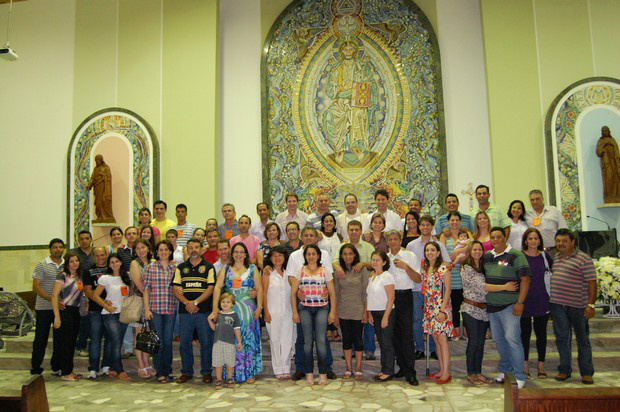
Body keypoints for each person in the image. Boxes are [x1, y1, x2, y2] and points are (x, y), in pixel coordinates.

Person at [285, 227, 336, 380]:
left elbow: (329, 279)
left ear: (316, 238)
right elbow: (290, 277)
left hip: (321, 304)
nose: (308, 238)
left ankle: (325, 368)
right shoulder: (295, 256)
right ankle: (302, 369)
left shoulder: (325, 255)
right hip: (304, 303)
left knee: (322, 339)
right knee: (303, 338)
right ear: (301, 237)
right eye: (305, 235)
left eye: (311, 235)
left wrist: (327, 291)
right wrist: (298, 289)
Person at [483, 227, 530, 389]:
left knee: (513, 340)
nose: (496, 240)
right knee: (499, 340)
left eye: (499, 237)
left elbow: (525, 280)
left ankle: (519, 375)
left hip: (510, 306)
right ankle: (505, 370)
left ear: (505, 238)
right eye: (493, 238)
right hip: (492, 307)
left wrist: (520, 302)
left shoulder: (516, 255)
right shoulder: (487, 257)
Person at [210, 242, 263, 383]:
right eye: (236, 252)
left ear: (246, 254)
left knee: (247, 339)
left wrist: (259, 307)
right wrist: (215, 308)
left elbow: (259, 289)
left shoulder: (252, 269)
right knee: (229, 340)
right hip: (229, 309)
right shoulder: (226, 268)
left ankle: (249, 372)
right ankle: (230, 374)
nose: (238, 254)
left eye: (241, 252)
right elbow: (217, 287)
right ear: (232, 254)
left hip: (247, 310)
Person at [550, 228, 597, 385]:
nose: (561, 244)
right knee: (562, 339)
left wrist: (591, 304)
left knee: (583, 339)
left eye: (564, 241)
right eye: (558, 241)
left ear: (572, 242)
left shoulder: (584, 259)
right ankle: (564, 370)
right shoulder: (556, 258)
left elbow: (592, 283)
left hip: (578, 306)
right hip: (557, 306)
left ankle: (586, 372)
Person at [406, 215, 450, 359]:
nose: (425, 227)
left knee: (433, 320)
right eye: (422, 225)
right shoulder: (411, 245)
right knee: (417, 319)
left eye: (428, 225)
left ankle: (432, 349)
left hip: (435, 292)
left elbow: (446, 264)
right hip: (416, 287)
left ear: (432, 227)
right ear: (419, 227)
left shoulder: (439, 245)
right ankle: (419, 347)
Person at [173, 238, 216, 384]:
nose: (193, 250)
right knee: (184, 343)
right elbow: (175, 288)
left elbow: (210, 288)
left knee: (206, 342)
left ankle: (206, 372)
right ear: (186, 249)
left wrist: (196, 302)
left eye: (196, 247)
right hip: (185, 311)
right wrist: (187, 303)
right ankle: (186, 372)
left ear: (201, 249)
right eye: (190, 247)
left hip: (203, 311)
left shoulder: (209, 267)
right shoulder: (180, 268)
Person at [332, 220, 375, 360]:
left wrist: (363, 263)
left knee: (367, 324)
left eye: (357, 229)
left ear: (361, 231)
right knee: (350, 331)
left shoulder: (368, 247)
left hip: (366, 287)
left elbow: (375, 264)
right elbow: (335, 261)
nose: (354, 232)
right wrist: (336, 266)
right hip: (346, 288)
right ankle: (350, 353)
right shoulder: (341, 246)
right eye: (351, 229)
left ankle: (368, 350)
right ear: (348, 231)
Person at [386, 230, 421, 386]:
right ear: (387, 242)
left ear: (400, 241)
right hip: (389, 298)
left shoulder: (410, 256)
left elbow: (418, 278)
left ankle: (411, 372)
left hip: (405, 296)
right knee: (394, 335)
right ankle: (402, 367)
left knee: (406, 335)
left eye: (395, 239)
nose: (393, 242)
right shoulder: (385, 259)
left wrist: (406, 267)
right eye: (390, 239)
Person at [92, 253, 132, 381]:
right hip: (110, 314)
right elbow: (95, 295)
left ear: (121, 262)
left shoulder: (126, 277)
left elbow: (129, 294)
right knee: (116, 342)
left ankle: (111, 367)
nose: (114, 264)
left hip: (124, 313)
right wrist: (106, 305)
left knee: (114, 341)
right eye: (112, 262)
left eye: (116, 261)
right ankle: (119, 369)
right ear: (109, 265)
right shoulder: (105, 278)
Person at [422, 242, 457, 384]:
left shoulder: (444, 268)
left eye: (432, 250)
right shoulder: (425, 269)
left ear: (438, 252)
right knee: (436, 339)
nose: (429, 252)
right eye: (427, 250)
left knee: (442, 340)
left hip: (441, 307)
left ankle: (446, 373)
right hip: (430, 308)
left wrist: (442, 310)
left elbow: (448, 290)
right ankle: (441, 369)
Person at [143, 240, 178, 383]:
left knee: (168, 341)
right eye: (160, 249)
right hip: (155, 309)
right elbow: (146, 290)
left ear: (170, 252)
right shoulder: (150, 268)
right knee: (159, 342)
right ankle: (159, 372)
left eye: (166, 249)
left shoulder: (175, 269)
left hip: (170, 309)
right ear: (156, 252)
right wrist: (146, 309)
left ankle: (168, 370)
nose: (163, 252)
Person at [520, 228, 552, 379]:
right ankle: (525, 364)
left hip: (542, 299)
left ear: (540, 241)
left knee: (541, 334)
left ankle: (541, 365)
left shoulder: (545, 257)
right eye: (530, 238)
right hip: (525, 300)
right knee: (524, 334)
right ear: (526, 240)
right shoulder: (519, 257)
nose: (533, 241)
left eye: (536, 238)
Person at [31, 238, 65, 376]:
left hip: (61, 308)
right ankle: (36, 367)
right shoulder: (42, 265)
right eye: (55, 247)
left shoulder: (66, 265)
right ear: (50, 249)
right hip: (44, 307)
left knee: (59, 339)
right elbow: (35, 287)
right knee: (41, 338)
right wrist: (52, 300)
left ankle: (55, 366)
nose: (58, 249)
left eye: (60, 247)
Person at [334, 244, 368, 380]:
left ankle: (358, 368)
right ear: (341, 256)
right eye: (345, 254)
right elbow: (335, 293)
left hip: (358, 310)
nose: (348, 256)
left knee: (358, 340)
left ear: (355, 255)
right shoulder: (339, 271)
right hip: (343, 310)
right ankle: (348, 368)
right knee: (346, 340)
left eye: (350, 253)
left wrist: (366, 312)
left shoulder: (362, 270)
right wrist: (335, 313)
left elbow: (366, 292)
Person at [461, 240, 491, 385]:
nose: (477, 252)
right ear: (470, 252)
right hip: (470, 309)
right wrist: (505, 287)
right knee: (473, 342)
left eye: (480, 249)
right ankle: (470, 373)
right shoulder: (466, 268)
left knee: (480, 343)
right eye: (474, 250)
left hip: (484, 310)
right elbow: (482, 287)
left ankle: (478, 372)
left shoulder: (485, 268)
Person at [262, 246, 294, 380]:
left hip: (288, 312)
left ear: (285, 257)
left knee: (287, 340)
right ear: (270, 258)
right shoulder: (268, 273)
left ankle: (286, 367)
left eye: (280, 255)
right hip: (272, 312)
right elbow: (263, 293)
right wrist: (266, 312)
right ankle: (278, 369)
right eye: (274, 256)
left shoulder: (290, 273)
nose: (277, 258)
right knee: (275, 341)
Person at [51, 251, 84, 381]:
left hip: (75, 312)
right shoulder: (63, 276)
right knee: (67, 343)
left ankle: (61, 368)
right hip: (65, 311)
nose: (75, 263)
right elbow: (54, 296)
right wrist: (57, 316)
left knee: (69, 342)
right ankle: (66, 373)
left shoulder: (79, 277)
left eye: (76, 260)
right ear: (67, 263)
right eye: (71, 261)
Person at [439, 211, 470, 340]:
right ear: (448, 222)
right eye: (452, 220)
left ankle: (467, 331)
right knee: (454, 306)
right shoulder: (444, 236)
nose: (454, 222)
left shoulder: (466, 235)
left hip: (464, 275)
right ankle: (455, 331)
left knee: (466, 306)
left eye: (457, 220)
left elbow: (473, 247)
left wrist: (458, 251)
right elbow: (440, 251)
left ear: (460, 221)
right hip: (451, 276)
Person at [366, 250, 396, 382]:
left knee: (387, 343)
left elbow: (391, 298)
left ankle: (389, 371)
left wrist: (385, 316)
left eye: (378, 260)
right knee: (382, 343)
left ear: (384, 262)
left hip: (386, 312)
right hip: (375, 312)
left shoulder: (387, 276)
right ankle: (384, 369)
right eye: (373, 259)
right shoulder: (372, 276)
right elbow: (370, 296)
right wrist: (370, 313)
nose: (375, 262)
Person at [83, 247, 112, 379]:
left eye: (102, 255)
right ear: (93, 257)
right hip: (95, 310)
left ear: (107, 255)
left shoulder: (112, 269)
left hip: (111, 311)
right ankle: (93, 368)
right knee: (95, 340)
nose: (100, 257)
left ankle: (106, 366)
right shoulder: (88, 271)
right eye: (97, 255)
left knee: (109, 339)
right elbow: (89, 292)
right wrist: (103, 303)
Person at [128, 239, 155, 379]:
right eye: (137, 248)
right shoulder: (134, 264)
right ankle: (140, 365)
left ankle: (147, 362)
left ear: (148, 248)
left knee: (148, 334)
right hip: (139, 301)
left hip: (152, 302)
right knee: (139, 334)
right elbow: (140, 285)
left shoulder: (153, 262)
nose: (140, 250)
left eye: (143, 247)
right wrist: (147, 301)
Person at [209, 293, 242, 389]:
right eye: (223, 302)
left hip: (229, 342)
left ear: (232, 304)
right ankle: (219, 379)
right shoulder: (218, 315)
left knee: (229, 361)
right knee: (218, 362)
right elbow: (215, 328)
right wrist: (209, 320)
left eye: (228, 302)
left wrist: (239, 341)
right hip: (217, 342)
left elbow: (237, 329)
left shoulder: (234, 315)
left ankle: (229, 378)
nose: (225, 304)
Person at [71, 230, 93, 358]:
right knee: (80, 321)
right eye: (82, 239)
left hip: (92, 291)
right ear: (78, 241)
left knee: (87, 320)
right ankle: (79, 346)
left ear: (91, 239)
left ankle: (82, 344)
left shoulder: (95, 253)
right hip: (76, 292)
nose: (84, 241)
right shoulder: (73, 254)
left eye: (87, 238)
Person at [525, 190, 567, 256]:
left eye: (537, 199)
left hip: (553, 251)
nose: (535, 202)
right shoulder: (526, 214)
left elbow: (563, 229)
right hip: (534, 252)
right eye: (532, 200)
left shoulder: (554, 211)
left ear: (542, 199)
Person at [86, 154, 115, 223]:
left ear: (101, 160)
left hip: (105, 188)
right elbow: (92, 179)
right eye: (96, 160)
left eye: (98, 160)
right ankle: (100, 216)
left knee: (104, 201)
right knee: (98, 203)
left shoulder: (106, 168)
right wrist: (89, 185)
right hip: (97, 188)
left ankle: (107, 216)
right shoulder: (95, 169)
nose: (97, 161)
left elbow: (109, 177)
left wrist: (103, 174)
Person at [596, 125, 620, 203]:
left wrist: (612, 145)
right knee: (608, 178)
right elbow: (598, 152)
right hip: (606, 164)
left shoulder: (612, 140)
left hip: (614, 163)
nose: (605, 132)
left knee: (615, 178)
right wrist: (604, 144)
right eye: (603, 131)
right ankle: (608, 195)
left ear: (609, 131)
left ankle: (616, 195)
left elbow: (617, 151)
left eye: (606, 131)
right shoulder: (600, 141)